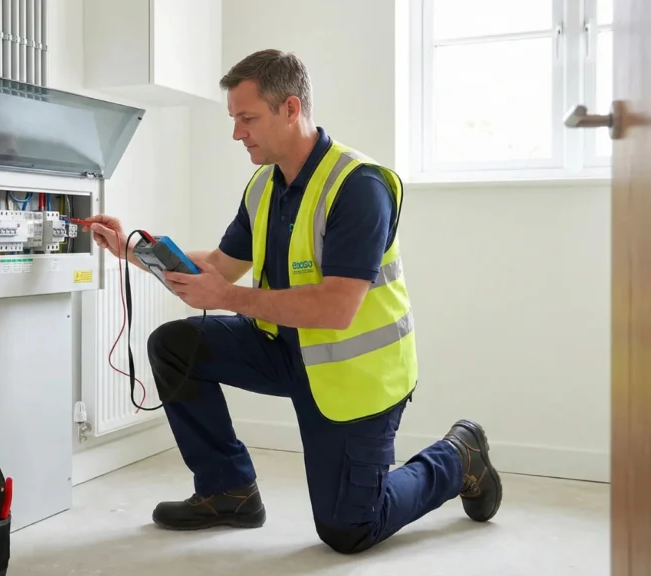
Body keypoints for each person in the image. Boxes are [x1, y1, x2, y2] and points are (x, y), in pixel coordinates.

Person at [82, 49, 501, 555]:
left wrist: (227, 296)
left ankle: (460, 457)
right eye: (234, 119)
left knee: (349, 530)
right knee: (176, 345)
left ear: (290, 108)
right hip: (287, 350)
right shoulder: (265, 184)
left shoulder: (359, 187)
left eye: (247, 118)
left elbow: (337, 308)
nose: (238, 133)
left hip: (357, 374)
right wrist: (129, 247)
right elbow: (219, 266)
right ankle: (228, 490)